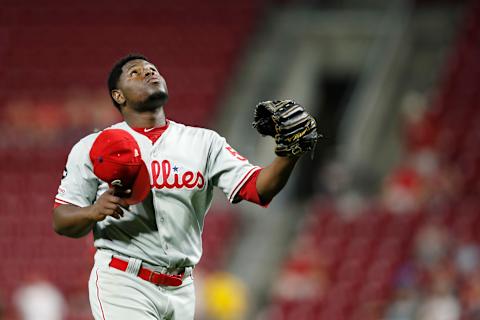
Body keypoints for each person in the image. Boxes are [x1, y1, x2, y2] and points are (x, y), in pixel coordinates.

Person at [52, 54, 315, 319]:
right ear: (119, 96)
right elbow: (61, 219)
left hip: (182, 288)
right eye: (135, 72)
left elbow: (257, 188)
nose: (149, 72)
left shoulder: (203, 142)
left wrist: (289, 154)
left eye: (153, 69)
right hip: (123, 280)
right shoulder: (92, 147)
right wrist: (92, 211)